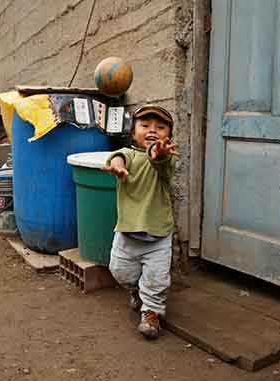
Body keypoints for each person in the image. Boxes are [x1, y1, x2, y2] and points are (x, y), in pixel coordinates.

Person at [103, 104, 178, 340]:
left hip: (158, 235)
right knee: (120, 271)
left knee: (157, 280)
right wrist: (118, 167)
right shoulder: (129, 154)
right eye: (145, 125)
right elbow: (117, 157)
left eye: (161, 127)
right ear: (133, 132)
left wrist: (161, 155)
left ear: (169, 136)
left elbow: (161, 164)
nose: (152, 130)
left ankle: (151, 313)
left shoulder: (167, 161)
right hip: (127, 232)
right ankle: (137, 291)